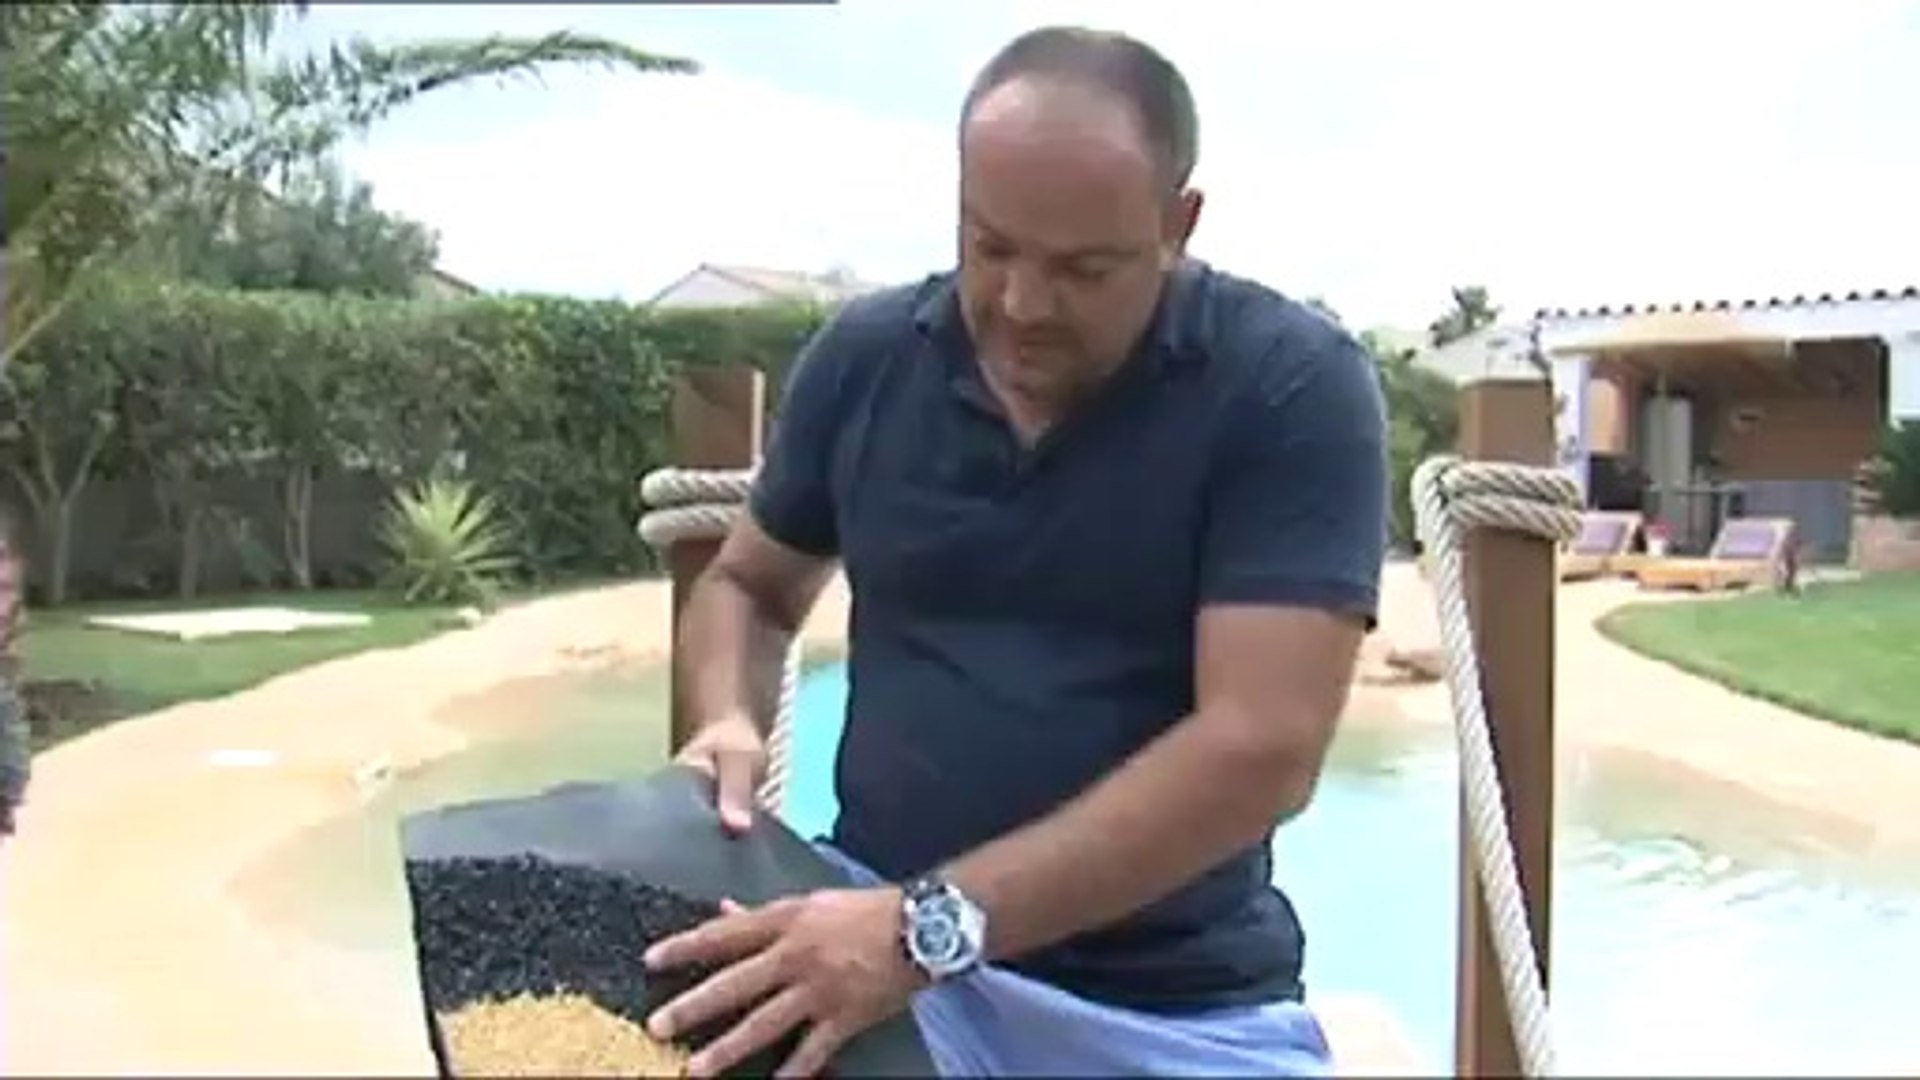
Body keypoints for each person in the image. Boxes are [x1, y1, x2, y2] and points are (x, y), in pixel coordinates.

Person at [644, 25, 1387, 1078]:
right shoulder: (865, 360)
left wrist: (921, 931)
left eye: (1083, 269)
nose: (1022, 308)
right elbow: (752, 587)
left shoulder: (1289, 386)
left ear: (1178, 225)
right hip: (863, 947)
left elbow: (1261, 747)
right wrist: (726, 711)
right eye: (990, 248)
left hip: (1170, 1012)